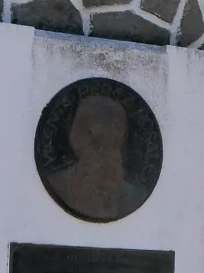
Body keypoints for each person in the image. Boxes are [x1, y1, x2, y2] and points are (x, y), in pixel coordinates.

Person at [48, 91, 137, 220]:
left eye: (114, 143)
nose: (107, 153)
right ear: (77, 140)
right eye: (97, 143)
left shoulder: (132, 196)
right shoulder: (59, 186)